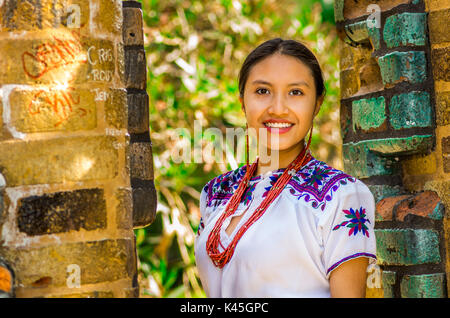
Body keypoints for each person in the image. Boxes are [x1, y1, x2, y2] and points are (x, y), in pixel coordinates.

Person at [194, 38, 377, 298]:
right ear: (242, 101)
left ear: (317, 104)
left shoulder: (342, 196)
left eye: (295, 92)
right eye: (262, 91)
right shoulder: (215, 193)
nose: (278, 108)